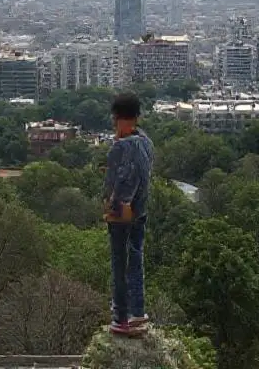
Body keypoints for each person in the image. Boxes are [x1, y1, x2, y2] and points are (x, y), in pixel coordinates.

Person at [103, 92, 154, 337]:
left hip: (125, 214)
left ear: (118, 118)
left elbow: (126, 180)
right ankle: (137, 312)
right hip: (140, 212)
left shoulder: (124, 146)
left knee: (120, 264)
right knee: (135, 260)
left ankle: (122, 317)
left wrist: (117, 207)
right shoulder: (145, 141)